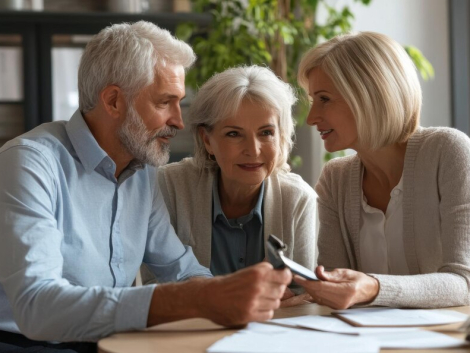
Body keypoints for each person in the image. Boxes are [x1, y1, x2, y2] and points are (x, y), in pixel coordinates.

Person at [0, 21, 292, 352]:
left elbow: (180, 270)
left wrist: (233, 297)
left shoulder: (141, 172)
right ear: (113, 101)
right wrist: (190, 299)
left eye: (179, 103)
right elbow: (37, 308)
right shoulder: (29, 164)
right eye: (164, 102)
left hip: (111, 344)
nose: (179, 122)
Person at [294, 31, 470, 309]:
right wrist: (308, 292)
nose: (312, 117)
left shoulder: (448, 151)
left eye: (324, 99)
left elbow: (464, 282)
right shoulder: (335, 179)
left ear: (369, 95)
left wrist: (373, 288)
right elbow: (336, 287)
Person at [141, 66, 317, 305]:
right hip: (188, 334)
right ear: (207, 140)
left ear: (281, 136)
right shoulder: (169, 185)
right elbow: (156, 286)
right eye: (234, 134)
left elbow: (306, 295)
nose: (253, 150)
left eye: (266, 133)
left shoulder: (298, 199)